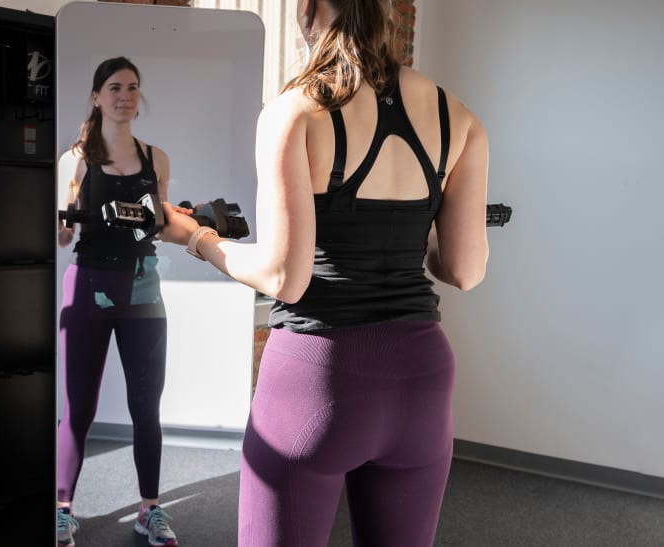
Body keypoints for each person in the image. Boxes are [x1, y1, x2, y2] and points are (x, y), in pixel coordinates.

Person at [157, 0, 490, 545]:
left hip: (320, 378)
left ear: (307, 9)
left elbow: (284, 276)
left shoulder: (295, 111)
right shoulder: (459, 118)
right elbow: (464, 269)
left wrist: (198, 239)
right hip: (422, 382)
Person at [55, 56, 180, 547]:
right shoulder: (77, 159)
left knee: (146, 405)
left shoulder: (157, 159)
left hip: (143, 288)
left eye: (131, 87)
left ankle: (149, 509)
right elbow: (64, 237)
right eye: (113, 87)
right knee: (79, 406)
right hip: (88, 284)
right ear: (96, 96)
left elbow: (165, 226)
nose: (124, 96)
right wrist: (65, 219)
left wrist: (200, 226)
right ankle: (63, 509)